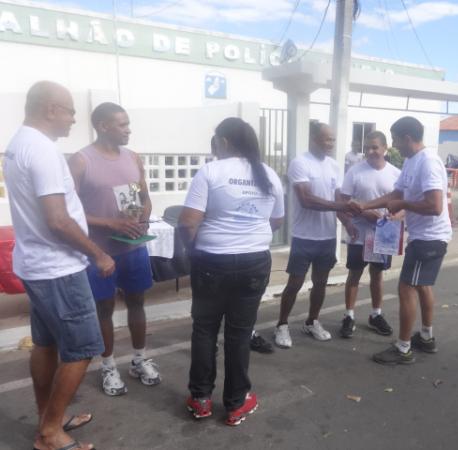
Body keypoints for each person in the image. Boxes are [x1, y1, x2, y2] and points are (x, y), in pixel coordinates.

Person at [4, 81, 115, 450]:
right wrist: (97, 253)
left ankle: (47, 415)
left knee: (46, 345)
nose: (72, 120)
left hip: (37, 265)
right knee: (84, 348)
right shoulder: (43, 151)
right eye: (69, 111)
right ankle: (50, 432)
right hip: (58, 269)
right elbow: (58, 219)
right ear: (51, 109)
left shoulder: (19, 144)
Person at [179, 117, 284, 426]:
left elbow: (187, 222)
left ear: (223, 142)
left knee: (205, 329)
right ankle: (236, 403)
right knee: (239, 334)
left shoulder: (211, 172)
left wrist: (192, 249)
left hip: (212, 261)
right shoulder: (269, 175)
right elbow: (275, 221)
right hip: (254, 260)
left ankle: (200, 400)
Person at [69, 102, 161, 397]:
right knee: (104, 309)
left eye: (128, 123)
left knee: (137, 303)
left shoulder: (133, 158)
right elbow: (69, 212)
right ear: (103, 126)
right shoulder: (81, 161)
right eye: (122, 124)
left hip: (132, 247)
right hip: (98, 251)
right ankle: (108, 366)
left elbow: (141, 196)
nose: (128, 129)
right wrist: (111, 224)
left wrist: (143, 218)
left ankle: (138, 359)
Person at [350, 116, 452, 365]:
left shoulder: (427, 162)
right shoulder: (410, 161)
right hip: (426, 237)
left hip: (429, 238)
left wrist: (404, 204)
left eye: (394, 138)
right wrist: (365, 204)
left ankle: (403, 348)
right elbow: (395, 193)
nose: (393, 144)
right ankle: (426, 337)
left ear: (407, 138)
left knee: (406, 288)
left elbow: (435, 206)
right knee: (422, 286)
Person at [273, 121, 351, 348]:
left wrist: (348, 223)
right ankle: (282, 325)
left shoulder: (334, 166)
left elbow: (338, 200)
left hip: (327, 236)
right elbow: (306, 200)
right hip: (304, 236)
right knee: (295, 283)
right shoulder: (300, 163)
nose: (331, 144)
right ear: (314, 139)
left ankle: (312, 321)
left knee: (321, 283)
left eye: (333, 140)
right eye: (327, 139)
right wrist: (342, 208)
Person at [208, 136, 274, 355]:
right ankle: (213, 341)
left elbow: (276, 218)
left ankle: (247, 334)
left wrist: (254, 236)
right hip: (220, 255)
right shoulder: (212, 172)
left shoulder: (263, 173)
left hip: (249, 254)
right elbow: (193, 218)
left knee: (242, 310)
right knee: (217, 309)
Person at [338, 131, 401, 338]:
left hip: (384, 235)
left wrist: (395, 218)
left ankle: (376, 315)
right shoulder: (355, 172)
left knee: (377, 274)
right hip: (359, 233)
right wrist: (361, 214)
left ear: (385, 148)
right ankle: (349, 316)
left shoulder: (396, 174)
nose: (371, 151)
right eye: (368, 148)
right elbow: (343, 204)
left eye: (375, 147)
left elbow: (403, 205)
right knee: (354, 274)